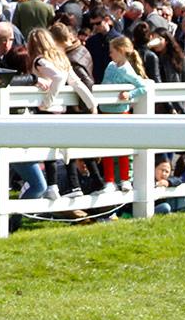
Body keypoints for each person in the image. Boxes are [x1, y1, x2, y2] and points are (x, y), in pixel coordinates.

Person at [27, 28, 98, 201]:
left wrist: (48, 101)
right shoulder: (62, 58)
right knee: (65, 148)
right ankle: (74, 186)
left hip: (47, 110)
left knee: (49, 150)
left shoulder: (39, 60)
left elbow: (58, 78)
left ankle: (53, 186)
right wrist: (92, 104)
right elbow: (77, 83)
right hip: (62, 111)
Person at [98, 36, 147, 193]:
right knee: (107, 148)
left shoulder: (127, 70)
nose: (110, 54)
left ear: (120, 51)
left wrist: (129, 94)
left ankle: (125, 179)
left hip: (120, 112)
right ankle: (109, 181)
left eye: (112, 51)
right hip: (106, 111)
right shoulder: (110, 66)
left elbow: (143, 87)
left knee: (123, 148)